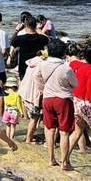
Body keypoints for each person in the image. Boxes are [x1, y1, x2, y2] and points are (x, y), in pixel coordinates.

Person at [32, 39, 78, 171]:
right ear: (63, 53)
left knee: (49, 129)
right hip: (63, 100)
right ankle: (65, 162)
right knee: (64, 132)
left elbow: (36, 76)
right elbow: (75, 84)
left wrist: (42, 89)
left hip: (47, 99)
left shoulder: (42, 64)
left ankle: (51, 159)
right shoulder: (66, 68)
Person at [66, 44, 91, 175]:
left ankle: (65, 160)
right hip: (88, 104)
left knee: (77, 132)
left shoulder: (74, 65)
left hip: (75, 102)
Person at [10, 15, 49, 81]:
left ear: (25, 26)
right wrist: (39, 30)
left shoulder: (20, 39)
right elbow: (48, 40)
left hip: (23, 67)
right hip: (37, 66)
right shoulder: (42, 38)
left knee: (23, 85)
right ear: (35, 26)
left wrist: (17, 30)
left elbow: (12, 42)